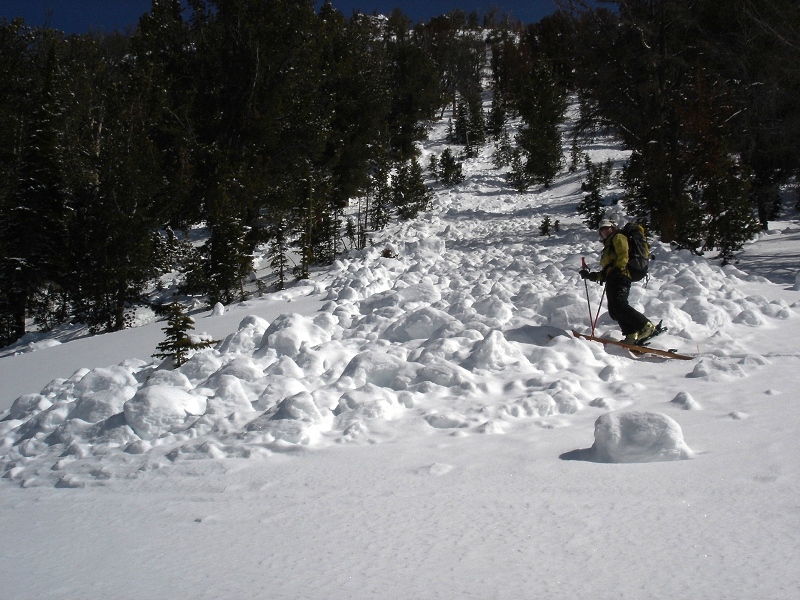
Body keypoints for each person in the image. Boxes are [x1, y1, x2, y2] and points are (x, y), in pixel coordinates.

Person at [580, 219, 656, 344]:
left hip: (621, 276)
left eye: (607, 228)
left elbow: (623, 254)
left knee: (619, 305)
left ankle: (646, 326)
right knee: (615, 310)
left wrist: (619, 269)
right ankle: (631, 334)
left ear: (613, 227)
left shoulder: (618, 236)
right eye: (602, 230)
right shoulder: (609, 245)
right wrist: (591, 276)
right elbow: (608, 269)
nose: (604, 231)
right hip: (613, 278)